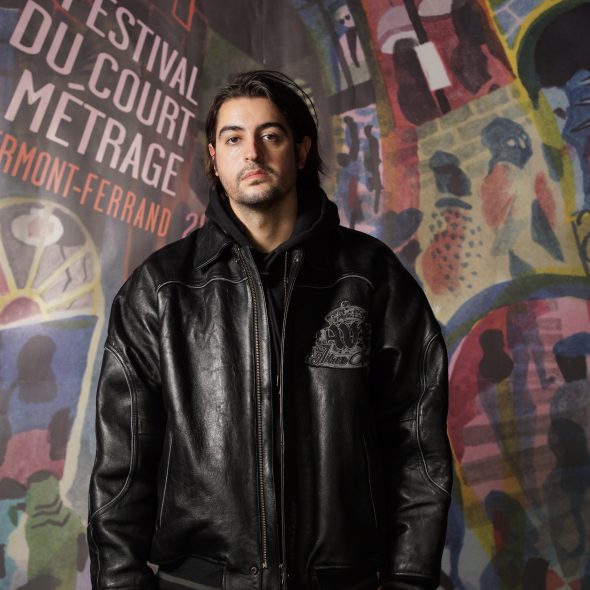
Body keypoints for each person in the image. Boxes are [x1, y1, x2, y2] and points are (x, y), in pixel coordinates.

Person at [88, 70, 452, 590]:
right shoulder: (161, 290)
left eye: (271, 136)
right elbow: (121, 468)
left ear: (301, 151)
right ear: (214, 157)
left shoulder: (370, 278)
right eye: (233, 139)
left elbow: (418, 447)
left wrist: (409, 581)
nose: (252, 153)